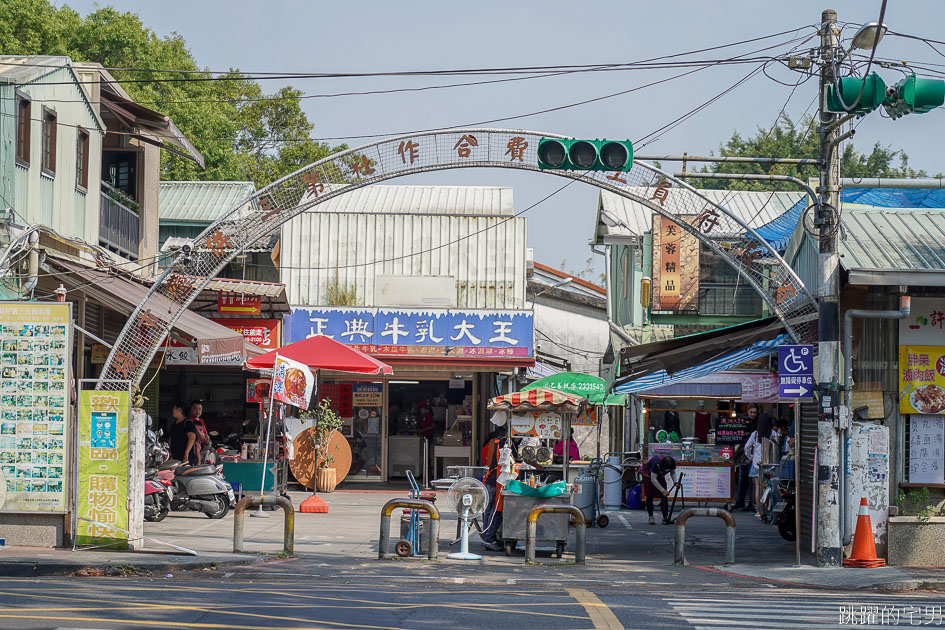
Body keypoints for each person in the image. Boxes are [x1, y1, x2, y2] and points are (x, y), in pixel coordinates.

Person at [480, 426, 509, 552]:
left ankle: (487, 538)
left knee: (489, 510)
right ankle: (489, 538)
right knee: (496, 510)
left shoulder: (495, 442)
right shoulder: (504, 443)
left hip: (491, 479)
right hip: (496, 480)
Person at [744, 421, 778, 516]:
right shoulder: (773, 433)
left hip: (756, 464)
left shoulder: (755, 434)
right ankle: (768, 509)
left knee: (758, 487)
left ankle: (759, 510)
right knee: (769, 486)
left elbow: (746, 447)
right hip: (770, 463)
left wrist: (751, 457)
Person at [641, 455, 678, 525]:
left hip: (660, 477)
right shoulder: (656, 463)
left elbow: (672, 472)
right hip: (649, 477)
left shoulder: (671, 464)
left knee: (664, 497)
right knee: (649, 496)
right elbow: (653, 479)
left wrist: (675, 481)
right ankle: (651, 517)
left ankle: (665, 517)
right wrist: (663, 490)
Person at [168, 401, 198, 466]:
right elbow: (171, 439)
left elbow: (192, 438)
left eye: (174, 408)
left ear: (179, 409)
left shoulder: (188, 423)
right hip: (175, 457)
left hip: (186, 458)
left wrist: (186, 453)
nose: (173, 410)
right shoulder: (173, 425)